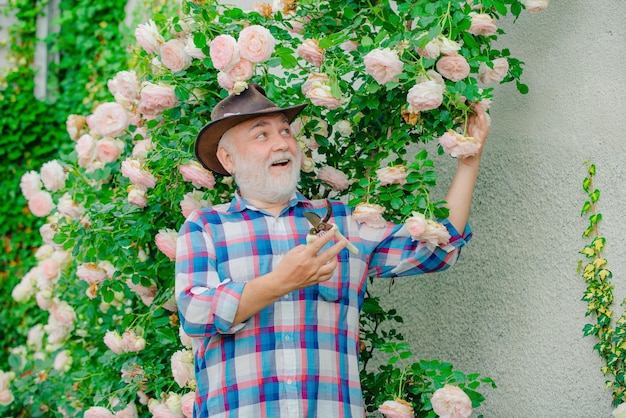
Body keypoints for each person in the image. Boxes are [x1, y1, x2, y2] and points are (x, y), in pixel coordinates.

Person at [175, 83, 489, 417]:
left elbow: (439, 246)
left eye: (285, 130)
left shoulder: (344, 220)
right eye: (262, 135)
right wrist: (281, 281)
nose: (282, 142)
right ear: (227, 158)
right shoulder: (205, 226)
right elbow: (195, 314)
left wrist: (470, 156)